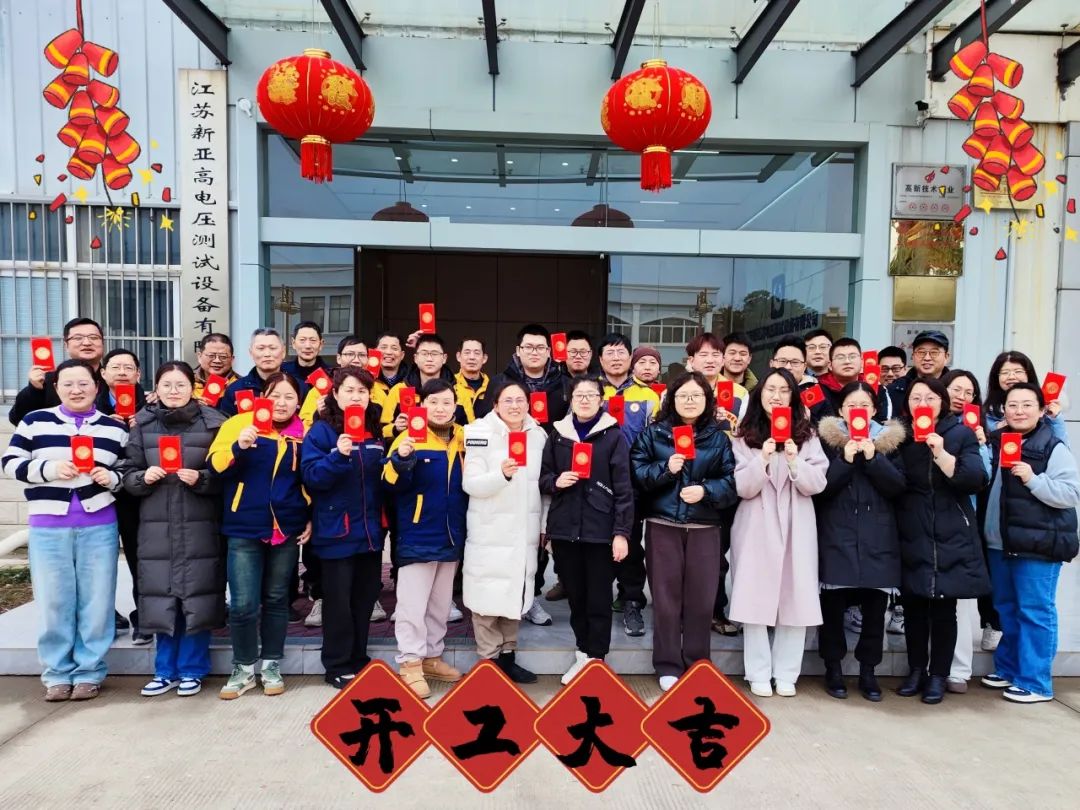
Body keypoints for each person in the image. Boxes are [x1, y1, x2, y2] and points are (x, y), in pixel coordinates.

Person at [2, 359, 128, 702]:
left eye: (84, 383)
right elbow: (10, 463)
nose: (76, 390)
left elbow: (126, 471)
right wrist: (50, 469)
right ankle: (57, 672)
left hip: (99, 525)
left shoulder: (113, 428)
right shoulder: (35, 421)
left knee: (97, 602)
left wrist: (111, 478)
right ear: (56, 388)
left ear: (96, 387)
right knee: (53, 601)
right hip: (48, 526)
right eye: (68, 384)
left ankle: (89, 671)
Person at [122, 361, 226, 698]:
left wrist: (203, 479)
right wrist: (143, 477)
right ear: (156, 388)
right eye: (166, 384)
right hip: (157, 527)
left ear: (193, 387)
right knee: (160, 596)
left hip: (201, 525)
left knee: (197, 597)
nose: (173, 391)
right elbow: (127, 473)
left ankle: (193, 669)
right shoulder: (142, 424)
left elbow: (228, 474)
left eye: (180, 384)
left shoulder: (214, 423)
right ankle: (164, 670)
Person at [631, 372, 738, 692]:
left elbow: (732, 481)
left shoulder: (719, 438)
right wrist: (667, 469)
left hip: (705, 527)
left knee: (702, 600)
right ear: (671, 400)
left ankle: (697, 661)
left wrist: (705, 491)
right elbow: (637, 472)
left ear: (707, 400)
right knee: (666, 599)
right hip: (663, 524)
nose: (689, 401)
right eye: (683, 396)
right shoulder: (654, 434)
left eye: (696, 396)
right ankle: (667, 664)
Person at [208, 372, 312, 699]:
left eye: (289, 397)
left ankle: (270, 664)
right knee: (242, 604)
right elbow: (215, 466)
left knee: (277, 599)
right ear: (262, 397)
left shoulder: (303, 434)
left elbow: (308, 482)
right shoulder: (239, 424)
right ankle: (243, 668)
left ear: (298, 403)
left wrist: (309, 517)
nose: (281, 403)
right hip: (244, 526)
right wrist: (239, 446)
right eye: (275, 395)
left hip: (286, 528)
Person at [729, 368, 827, 697]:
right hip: (756, 524)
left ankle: (786, 673)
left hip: (797, 523)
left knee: (795, 598)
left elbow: (818, 483)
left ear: (793, 396)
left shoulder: (808, 436)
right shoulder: (743, 437)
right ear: (759, 395)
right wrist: (764, 458)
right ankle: (757, 672)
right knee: (754, 599)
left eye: (784, 390)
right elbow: (742, 487)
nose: (776, 396)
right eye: (770, 389)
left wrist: (796, 461)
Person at [981, 383, 1080, 703]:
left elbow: (1071, 493)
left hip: (1037, 543)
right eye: (1013, 405)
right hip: (999, 541)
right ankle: (1009, 669)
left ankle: (1036, 682)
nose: (1019, 411)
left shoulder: (1052, 445)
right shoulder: (994, 441)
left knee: (1035, 611)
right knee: (1006, 609)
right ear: (1003, 409)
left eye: (1027, 405)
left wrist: (1033, 479)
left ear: (1041, 410)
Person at [894, 377, 988, 704]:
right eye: (915, 398)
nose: (923, 403)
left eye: (930, 397)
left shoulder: (960, 434)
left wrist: (942, 453)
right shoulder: (901, 437)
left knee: (945, 610)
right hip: (912, 529)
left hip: (951, 532)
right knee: (914, 607)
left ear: (942, 402)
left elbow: (975, 479)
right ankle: (916, 670)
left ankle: (938, 675)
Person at [814, 383, 906, 701]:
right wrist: (845, 459)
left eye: (864, 405)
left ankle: (869, 671)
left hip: (878, 536)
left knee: (875, 610)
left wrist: (872, 458)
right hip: (836, 534)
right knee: (832, 607)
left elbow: (898, 486)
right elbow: (821, 488)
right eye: (851, 405)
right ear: (841, 410)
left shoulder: (890, 442)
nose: (858, 411)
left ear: (875, 409)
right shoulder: (825, 441)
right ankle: (833, 668)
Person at [478, 324, 570, 627]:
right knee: (506, 538)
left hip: (547, 464)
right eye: (528, 347)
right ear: (518, 351)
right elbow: (486, 421)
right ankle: (501, 601)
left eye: (540, 347)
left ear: (549, 351)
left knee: (538, 534)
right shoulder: (500, 381)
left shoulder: (563, 383)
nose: (534, 352)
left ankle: (531, 597)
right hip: (507, 466)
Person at [301, 367, 387, 689]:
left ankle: (358, 658)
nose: (356, 397)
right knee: (338, 603)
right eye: (349, 390)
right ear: (335, 394)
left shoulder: (374, 428)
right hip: (336, 530)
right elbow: (312, 477)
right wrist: (338, 456)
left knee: (364, 599)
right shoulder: (322, 431)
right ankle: (336, 664)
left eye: (362, 391)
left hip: (369, 532)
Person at [541, 375, 631, 683]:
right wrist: (556, 481)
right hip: (565, 530)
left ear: (601, 400)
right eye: (579, 394)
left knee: (599, 598)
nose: (584, 399)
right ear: (571, 399)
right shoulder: (558, 435)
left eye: (591, 395)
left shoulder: (614, 436)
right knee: (576, 597)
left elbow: (624, 489)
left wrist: (621, 533)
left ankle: (597, 657)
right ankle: (583, 652)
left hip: (600, 531)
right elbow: (543, 477)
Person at [383, 379, 467, 698]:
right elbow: (388, 483)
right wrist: (401, 459)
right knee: (412, 605)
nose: (440, 408)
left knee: (440, 604)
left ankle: (432, 657)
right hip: (417, 533)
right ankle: (410, 662)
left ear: (455, 406)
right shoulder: (408, 437)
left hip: (451, 533)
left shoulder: (464, 437)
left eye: (446, 402)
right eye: (433, 402)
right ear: (421, 405)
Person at [462, 380, 548, 684]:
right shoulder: (479, 432)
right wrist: (501, 474)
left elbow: (543, 486)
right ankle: (489, 660)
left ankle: (509, 656)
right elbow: (470, 484)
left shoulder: (538, 435)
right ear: (496, 405)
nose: (514, 406)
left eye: (520, 400)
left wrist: (544, 524)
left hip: (524, 529)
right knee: (487, 593)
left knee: (515, 593)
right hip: (490, 528)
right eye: (507, 400)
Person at [941, 369, 998, 693]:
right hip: (928, 520)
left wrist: (981, 443)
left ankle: (958, 670)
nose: (962, 397)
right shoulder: (927, 426)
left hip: (962, 521)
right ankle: (931, 666)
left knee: (959, 601)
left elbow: (983, 477)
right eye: (956, 389)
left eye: (969, 392)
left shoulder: (977, 432)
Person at [685, 333, 745, 638]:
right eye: (703, 354)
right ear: (691, 360)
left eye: (716, 354)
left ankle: (714, 610)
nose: (710, 360)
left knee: (716, 553)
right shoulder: (679, 390)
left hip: (722, 483)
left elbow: (746, 438)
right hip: (685, 481)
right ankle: (682, 609)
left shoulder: (740, 394)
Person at [600, 339, 660, 636]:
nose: (615, 358)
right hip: (597, 480)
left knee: (631, 543)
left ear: (630, 359)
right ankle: (598, 601)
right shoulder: (591, 391)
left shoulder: (648, 396)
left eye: (621, 352)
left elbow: (656, 437)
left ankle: (631, 600)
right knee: (599, 544)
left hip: (632, 481)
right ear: (600, 359)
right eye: (609, 353)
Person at [98, 348, 150, 641]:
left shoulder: (151, 406)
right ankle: (103, 618)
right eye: (115, 367)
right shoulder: (89, 406)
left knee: (139, 556)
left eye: (128, 367)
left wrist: (140, 427)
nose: (121, 372)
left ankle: (144, 615)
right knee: (99, 562)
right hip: (97, 495)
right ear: (103, 373)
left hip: (134, 496)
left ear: (138, 374)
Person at [9, 317, 106, 426]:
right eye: (78, 338)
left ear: (102, 343)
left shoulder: (114, 378)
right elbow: (17, 419)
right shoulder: (47, 380)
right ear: (66, 345)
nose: (87, 342)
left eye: (94, 337)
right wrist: (34, 390)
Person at [380, 333, 461, 438]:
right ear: (415, 358)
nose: (429, 359)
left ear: (444, 358)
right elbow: (382, 429)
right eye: (424, 353)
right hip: (410, 446)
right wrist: (395, 428)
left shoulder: (458, 390)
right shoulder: (399, 390)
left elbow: (469, 427)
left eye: (435, 354)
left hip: (449, 446)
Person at [219, 328, 308, 416]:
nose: (267, 354)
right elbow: (225, 423)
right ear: (251, 353)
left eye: (272, 348)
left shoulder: (300, 387)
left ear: (283, 352)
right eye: (261, 348)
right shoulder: (236, 389)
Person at [984, 351, 1068, 442]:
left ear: (1029, 374)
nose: (1011, 377)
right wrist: (998, 427)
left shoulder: (1045, 409)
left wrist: (1055, 419)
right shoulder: (987, 413)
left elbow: (1061, 446)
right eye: (1005, 372)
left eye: (1018, 371)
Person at [770, 336, 829, 423]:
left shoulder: (818, 395)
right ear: (771, 364)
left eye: (795, 362)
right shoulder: (759, 392)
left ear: (804, 366)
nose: (788, 367)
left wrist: (807, 423)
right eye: (782, 361)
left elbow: (828, 429)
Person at [193, 333, 239, 401]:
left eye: (223, 357)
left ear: (232, 360)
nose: (217, 361)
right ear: (200, 357)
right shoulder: (187, 381)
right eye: (211, 356)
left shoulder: (241, 385)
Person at [371, 331, 410, 410]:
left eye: (394, 348)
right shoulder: (367, 379)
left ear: (402, 355)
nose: (388, 352)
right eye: (383, 347)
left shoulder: (411, 380)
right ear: (375, 352)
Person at [454, 337, 491, 422]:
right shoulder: (449, 385)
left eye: (477, 353)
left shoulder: (493, 387)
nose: (472, 357)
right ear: (458, 356)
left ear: (484, 358)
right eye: (467, 353)